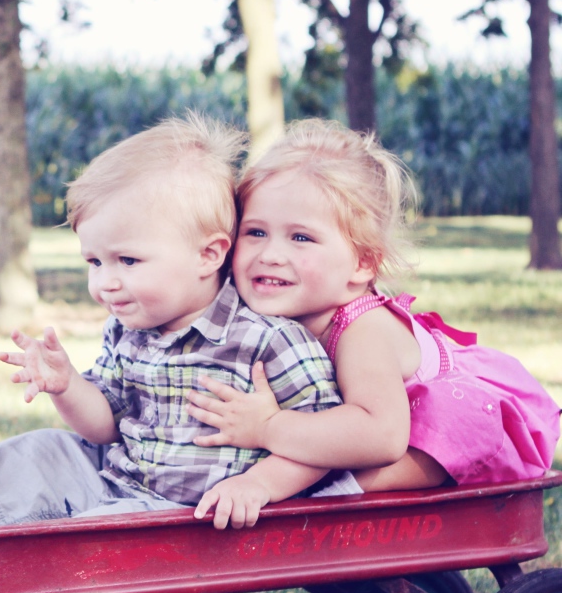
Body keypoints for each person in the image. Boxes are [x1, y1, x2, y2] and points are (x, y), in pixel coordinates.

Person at [0, 113, 352, 533]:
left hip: (183, 516)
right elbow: (103, 425)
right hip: (117, 479)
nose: (105, 283)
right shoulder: (129, 327)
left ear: (208, 254)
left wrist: (259, 484)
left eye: (127, 261)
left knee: (88, 533)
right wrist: (67, 386)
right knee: (40, 449)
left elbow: (326, 444)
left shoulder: (267, 340)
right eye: (94, 262)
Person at [186, 118, 561, 503]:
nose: (270, 255)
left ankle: (331, 493)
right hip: (383, 426)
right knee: (323, 447)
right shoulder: (276, 312)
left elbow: (381, 436)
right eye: (256, 232)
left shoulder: (362, 331)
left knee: (354, 453)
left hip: (456, 430)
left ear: (362, 264)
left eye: (301, 237)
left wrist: (268, 427)